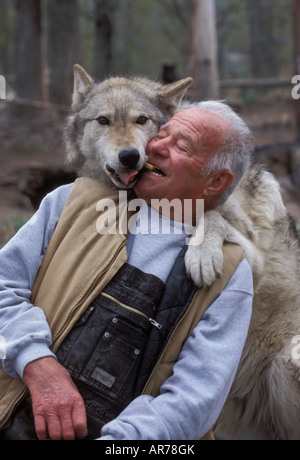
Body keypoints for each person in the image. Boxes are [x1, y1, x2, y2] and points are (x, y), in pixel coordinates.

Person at [0, 104, 254, 440]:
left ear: (216, 181)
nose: (155, 147)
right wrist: (36, 362)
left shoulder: (230, 273)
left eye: (181, 146)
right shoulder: (72, 202)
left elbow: (195, 398)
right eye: (161, 134)